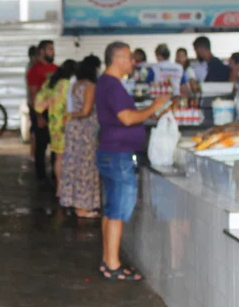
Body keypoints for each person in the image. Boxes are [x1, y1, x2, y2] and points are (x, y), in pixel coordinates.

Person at [96, 42, 171, 282]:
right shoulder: (113, 86)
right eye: (129, 58)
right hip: (119, 155)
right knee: (117, 211)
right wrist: (153, 107)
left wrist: (150, 113)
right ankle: (114, 265)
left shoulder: (106, 83)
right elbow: (127, 118)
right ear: (118, 59)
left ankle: (108, 261)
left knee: (110, 211)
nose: (133, 62)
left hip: (110, 152)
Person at [60, 56, 102, 219]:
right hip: (84, 130)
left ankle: (74, 201)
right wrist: (73, 115)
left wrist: (70, 116)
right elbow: (86, 111)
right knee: (86, 166)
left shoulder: (74, 85)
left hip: (74, 129)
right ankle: (83, 207)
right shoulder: (89, 86)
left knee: (74, 165)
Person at [41, 60, 77, 188]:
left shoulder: (51, 83)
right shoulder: (70, 85)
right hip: (66, 124)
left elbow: (39, 104)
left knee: (58, 157)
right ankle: (67, 187)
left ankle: (59, 187)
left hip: (54, 124)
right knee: (69, 157)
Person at [27, 40, 57, 183]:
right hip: (42, 112)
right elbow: (33, 94)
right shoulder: (34, 70)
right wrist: (38, 116)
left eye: (53, 49)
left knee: (56, 145)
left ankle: (55, 173)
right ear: (41, 51)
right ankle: (41, 177)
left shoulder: (57, 69)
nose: (53, 52)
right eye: (50, 49)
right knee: (41, 145)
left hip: (56, 113)